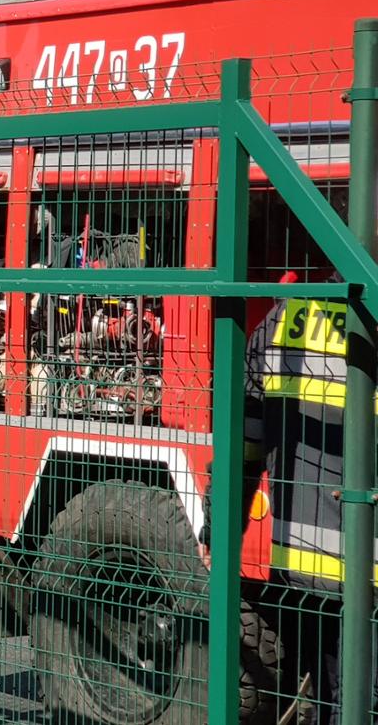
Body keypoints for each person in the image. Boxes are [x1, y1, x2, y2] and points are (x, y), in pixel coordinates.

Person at [203, 287, 378, 724]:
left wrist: (218, 528)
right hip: (368, 574)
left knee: (325, 701)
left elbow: (243, 447)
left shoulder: (281, 320)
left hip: (299, 571)